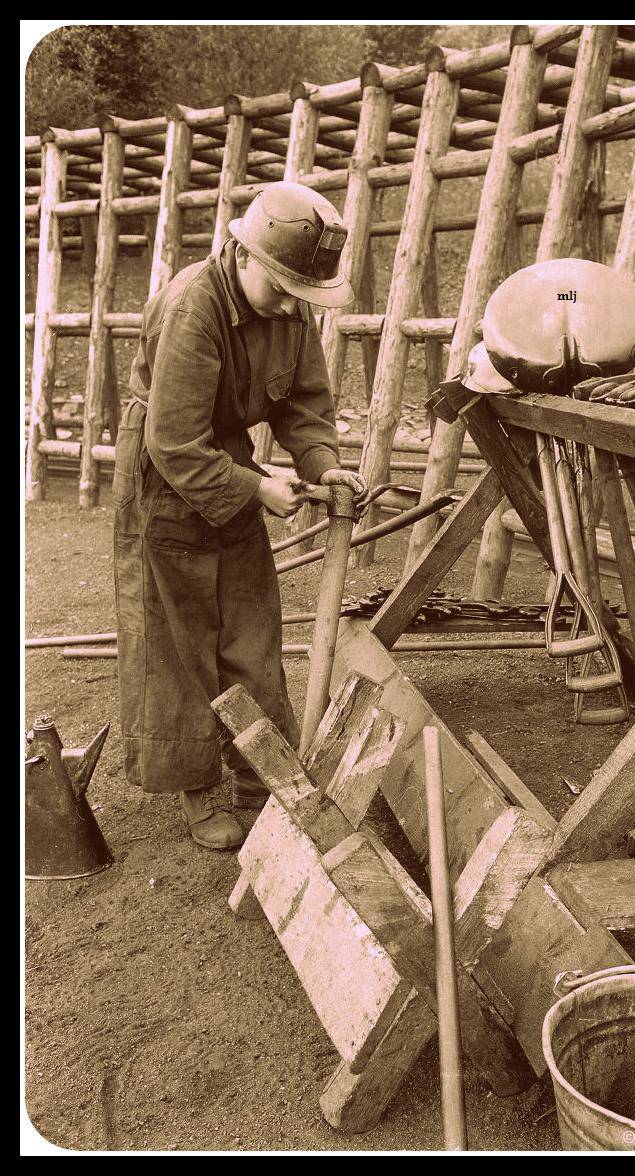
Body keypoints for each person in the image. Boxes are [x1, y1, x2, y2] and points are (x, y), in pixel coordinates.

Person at [112, 182, 366, 851]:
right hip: (163, 471)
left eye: (300, 296)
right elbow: (173, 443)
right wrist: (256, 488)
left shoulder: (288, 305)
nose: (290, 306)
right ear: (241, 253)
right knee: (178, 633)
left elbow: (304, 401)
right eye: (280, 289)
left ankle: (264, 780)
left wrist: (321, 462)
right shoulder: (192, 307)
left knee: (251, 619)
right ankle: (196, 784)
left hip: (225, 462)